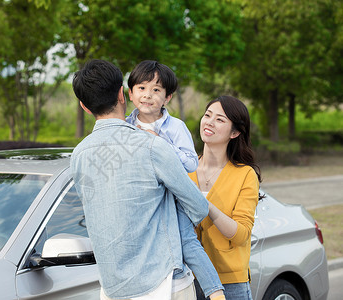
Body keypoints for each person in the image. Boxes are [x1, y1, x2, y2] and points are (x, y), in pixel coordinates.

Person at [70, 59, 213, 300]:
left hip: (112, 288)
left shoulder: (79, 155)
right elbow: (199, 207)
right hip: (165, 283)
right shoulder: (153, 145)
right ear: (122, 95)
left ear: (84, 106)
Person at [126, 60, 225, 299]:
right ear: (130, 93)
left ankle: (215, 292)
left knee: (187, 241)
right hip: (144, 197)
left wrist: (159, 144)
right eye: (141, 88)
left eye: (156, 90)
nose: (148, 95)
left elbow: (191, 162)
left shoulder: (175, 127)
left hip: (175, 195)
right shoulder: (126, 125)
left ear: (167, 97)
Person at [189, 95, 262, 300]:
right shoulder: (184, 168)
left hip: (230, 284)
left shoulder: (245, 175)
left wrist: (205, 205)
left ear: (235, 132)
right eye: (207, 115)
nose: (210, 122)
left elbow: (240, 234)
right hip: (187, 281)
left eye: (220, 119)